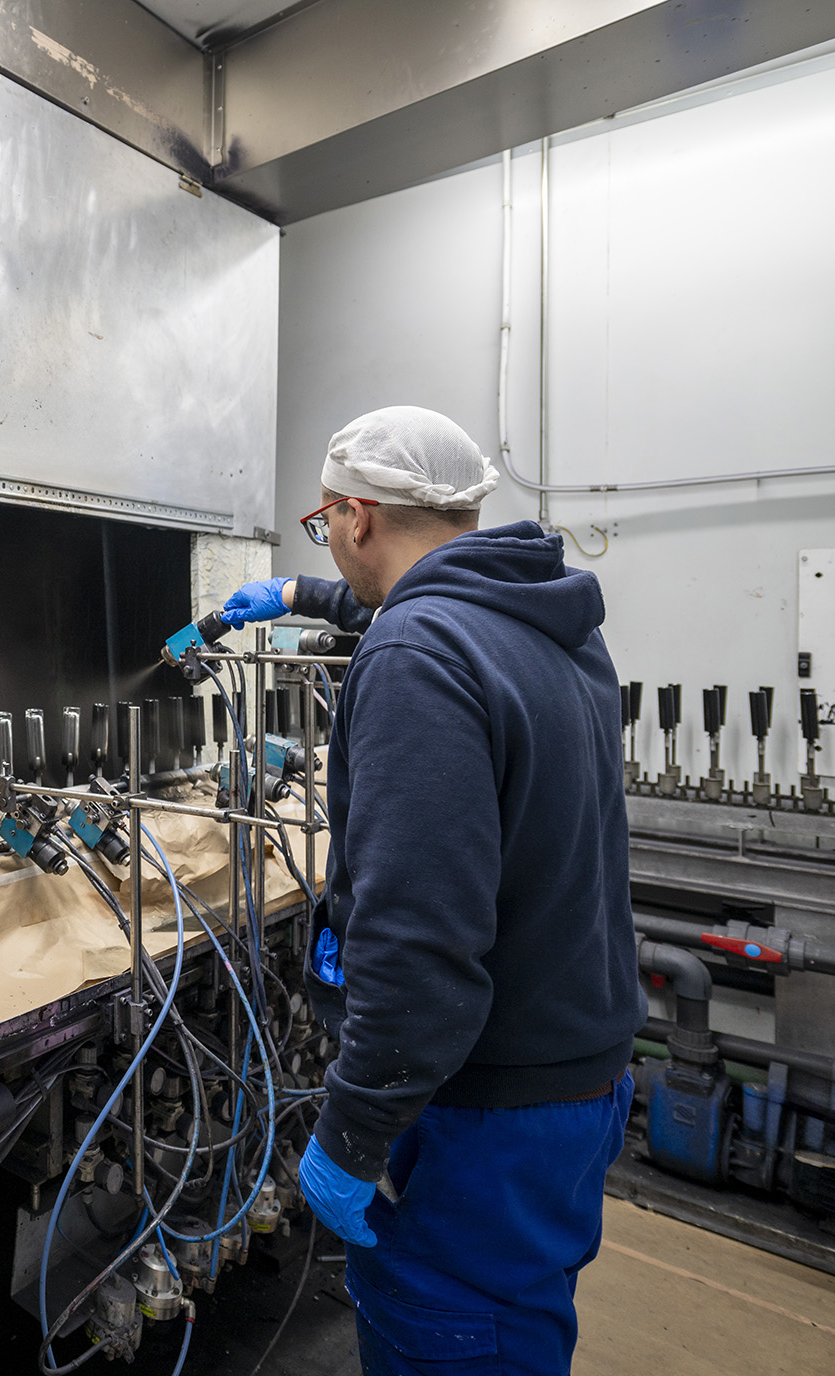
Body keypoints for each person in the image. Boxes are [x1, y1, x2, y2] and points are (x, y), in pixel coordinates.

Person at [219, 406, 645, 1375]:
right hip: (572, 1078)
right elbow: (418, 604)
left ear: (357, 515)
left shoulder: (417, 656)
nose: (326, 536)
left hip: (476, 1108)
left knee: (455, 1337)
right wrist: (298, 592)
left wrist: (351, 1133)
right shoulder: (547, 623)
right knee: (516, 1326)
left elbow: (418, 947)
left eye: (321, 522)